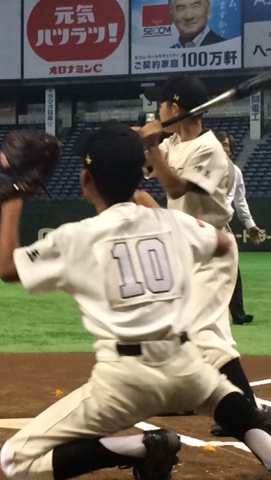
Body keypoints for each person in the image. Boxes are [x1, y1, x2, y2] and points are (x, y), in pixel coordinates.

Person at [0, 124, 271, 480]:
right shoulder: (170, 222)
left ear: (85, 181)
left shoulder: (76, 238)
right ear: (138, 175)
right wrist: (160, 215)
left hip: (124, 383)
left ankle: (141, 447)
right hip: (185, 365)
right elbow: (220, 243)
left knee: (15, 460)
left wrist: (13, 194)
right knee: (220, 395)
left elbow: (7, 266)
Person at [136, 74, 271, 437]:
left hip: (213, 250)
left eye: (161, 104)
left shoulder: (210, 149)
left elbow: (175, 184)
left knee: (202, 331)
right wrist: (140, 142)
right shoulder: (176, 142)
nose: (158, 109)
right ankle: (240, 406)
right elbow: (146, 166)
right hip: (186, 252)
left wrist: (153, 146)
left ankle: (247, 415)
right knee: (205, 331)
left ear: (175, 108)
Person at [215, 131, 263, 326]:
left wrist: (250, 225)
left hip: (221, 223)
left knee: (232, 266)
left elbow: (240, 202)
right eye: (220, 145)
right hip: (200, 222)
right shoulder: (200, 168)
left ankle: (238, 313)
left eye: (226, 145)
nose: (224, 149)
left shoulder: (235, 171)